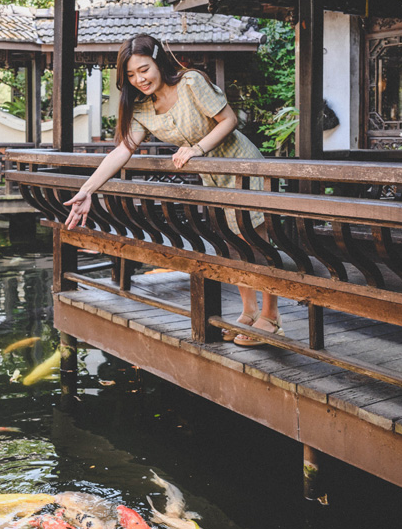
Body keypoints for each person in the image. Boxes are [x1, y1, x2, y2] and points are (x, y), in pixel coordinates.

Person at [63, 34, 282, 346]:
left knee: (255, 242)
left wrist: (197, 149)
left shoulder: (191, 83)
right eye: (131, 74)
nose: (139, 79)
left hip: (244, 168)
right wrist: (88, 190)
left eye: (144, 69)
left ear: (158, 62)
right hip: (213, 178)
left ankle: (271, 317)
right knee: (232, 244)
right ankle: (248, 313)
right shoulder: (141, 108)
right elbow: (121, 151)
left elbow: (228, 119)